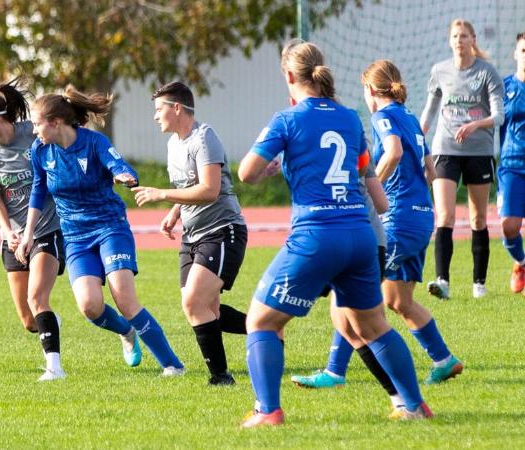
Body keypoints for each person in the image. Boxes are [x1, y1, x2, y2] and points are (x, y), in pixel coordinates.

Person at [237, 40, 431, 427]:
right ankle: (414, 406)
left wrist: (272, 169)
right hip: (361, 235)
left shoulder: (286, 120)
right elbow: (378, 198)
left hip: (317, 235)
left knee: (260, 321)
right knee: (373, 325)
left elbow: (246, 172)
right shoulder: (350, 119)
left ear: (289, 76)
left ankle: (267, 411)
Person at [291, 60, 464, 397]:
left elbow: (394, 152)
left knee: (355, 293)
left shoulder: (383, 116)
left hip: (398, 218)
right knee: (399, 300)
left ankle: (335, 371)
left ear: (370, 90)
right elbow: (430, 170)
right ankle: (444, 360)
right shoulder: (411, 118)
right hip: (420, 216)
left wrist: (371, 188)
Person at [16, 86, 185, 376]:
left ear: (55, 122)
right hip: (75, 237)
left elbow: (118, 164)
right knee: (90, 306)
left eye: (36, 123)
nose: (33, 131)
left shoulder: (94, 142)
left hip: (110, 227)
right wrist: (29, 232)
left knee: (124, 298)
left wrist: (124, 175)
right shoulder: (40, 151)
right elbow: (38, 190)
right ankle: (127, 333)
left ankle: (172, 365)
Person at [132, 81, 248, 386]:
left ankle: (221, 378)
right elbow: (187, 188)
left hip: (223, 231)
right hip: (192, 235)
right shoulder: (174, 143)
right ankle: (263, 328)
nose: (156, 116)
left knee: (195, 303)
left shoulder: (204, 137)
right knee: (205, 307)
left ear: (177, 108)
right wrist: (173, 214)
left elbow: (210, 190)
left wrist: (162, 195)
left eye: (159, 110)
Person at [0, 78, 66, 381]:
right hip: (13, 236)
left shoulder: (33, 136)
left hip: (48, 229)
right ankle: (50, 323)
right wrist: (8, 230)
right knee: (28, 319)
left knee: (38, 298)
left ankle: (55, 368)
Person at [421, 19, 505, 299]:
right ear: (450, 41)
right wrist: (417, 137)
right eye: (455, 36)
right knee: (444, 215)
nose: (459, 40)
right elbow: (429, 112)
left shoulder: (487, 73)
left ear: (473, 39)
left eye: (464, 36)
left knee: (478, 218)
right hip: (445, 148)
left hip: (479, 151)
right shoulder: (439, 71)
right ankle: (442, 281)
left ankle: (478, 283)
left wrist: (475, 125)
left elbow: (499, 116)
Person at [499, 31, 525, 294]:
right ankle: (520, 262)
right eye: (524, 50)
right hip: (511, 164)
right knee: (509, 226)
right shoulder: (505, 87)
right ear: (516, 54)